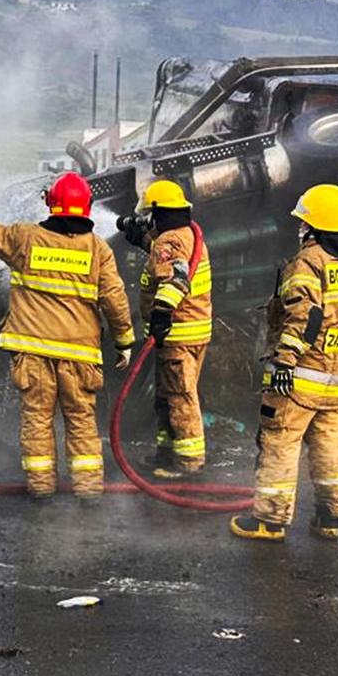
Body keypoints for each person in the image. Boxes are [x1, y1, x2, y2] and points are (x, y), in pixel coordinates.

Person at [0, 172, 136, 498]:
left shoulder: (25, 238)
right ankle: (87, 490)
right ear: (86, 206)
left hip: (32, 354)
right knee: (81, 420)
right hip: (79, 356)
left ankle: (41, 487)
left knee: (36, 420)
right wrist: (124, 342)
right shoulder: (98, 250)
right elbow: (114, 300)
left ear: (51, 203)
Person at [231, 184, 338, 542]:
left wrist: (285, 363)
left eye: (304, 223)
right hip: (335, 379)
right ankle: (329, 519)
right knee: (330, 444)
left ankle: (269, 521)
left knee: (280, 440)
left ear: (317, 227)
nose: (300, 229)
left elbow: (304, 316)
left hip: (300, 376)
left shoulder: (308, 262)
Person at [121, 179, 213, 477]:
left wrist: (160, 314)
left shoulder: (168, 242)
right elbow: (175, 260)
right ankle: (166, 452)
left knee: (179, 396)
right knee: (168, 395)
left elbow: (175, 279)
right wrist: (144, 242)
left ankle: (187, 463)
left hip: (178, 334)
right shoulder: (184, 234)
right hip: (191, 332)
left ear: (158, 212)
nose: (146, 219)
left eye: (148, 213)